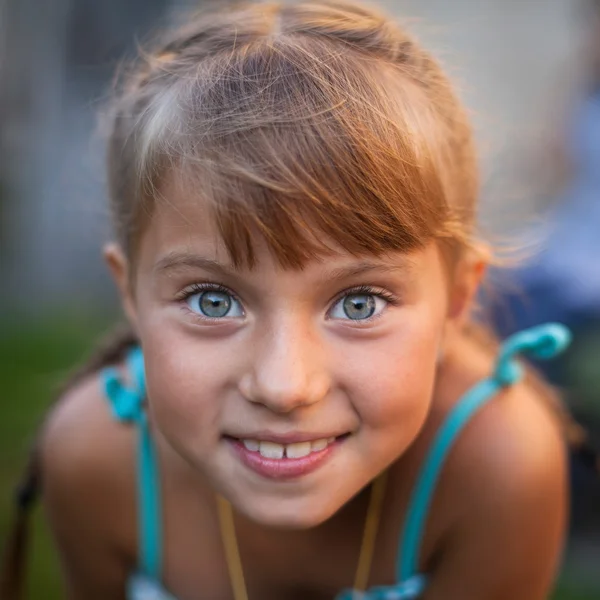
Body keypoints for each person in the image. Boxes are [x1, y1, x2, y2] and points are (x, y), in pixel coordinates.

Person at [0, 2, 581, 599]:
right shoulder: (97, 457)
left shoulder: (497, 467)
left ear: (458, 299)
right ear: (130, 292)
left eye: (359, 304)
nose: (285, 386)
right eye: (213, 301)